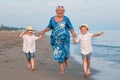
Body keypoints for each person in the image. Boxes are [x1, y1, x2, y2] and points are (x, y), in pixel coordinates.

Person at [40, 6, 76, 75]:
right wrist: (43, 31)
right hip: (56, 40)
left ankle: (65, 59)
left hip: (66, 39)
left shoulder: (66, 19)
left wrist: (73, 34)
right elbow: (49, 27)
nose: (60, 11)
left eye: (62, 10)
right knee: (59, 54)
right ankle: (62, 69)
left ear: (64, 11)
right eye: (59, 10)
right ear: (56, 11)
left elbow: (71, 27)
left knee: (67, 53)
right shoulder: (52, 19)